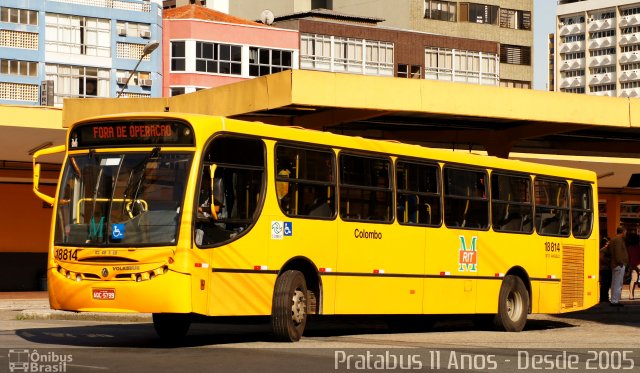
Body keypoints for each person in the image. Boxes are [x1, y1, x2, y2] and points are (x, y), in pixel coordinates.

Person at [610, 227, 629, 306]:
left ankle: (614, 300)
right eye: (625, 232)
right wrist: (621, 262)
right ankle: (615, 301)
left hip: (615, 264)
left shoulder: (614, 239)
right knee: (618, 283)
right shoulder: (618, 240)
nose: (625, 234)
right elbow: (618, 253)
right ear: (623, 232)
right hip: (619, 264)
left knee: (615, 283)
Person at [626, 233, 640, 300]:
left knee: (633, 280)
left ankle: (631, 295)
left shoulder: (629, 248)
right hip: (639, 264)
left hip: (632, 265)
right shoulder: (638, 247)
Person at [599, 235, 611, 303]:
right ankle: (603, 298)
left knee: (607, 284)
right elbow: (602, 258)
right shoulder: (603, 250)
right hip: (604, 269)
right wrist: (609, 261)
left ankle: (605, 298)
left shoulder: (606, 250)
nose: (608, 244)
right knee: (604, 284)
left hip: (606, 269)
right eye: (607, 243)